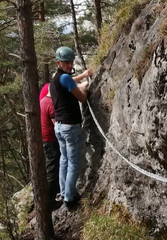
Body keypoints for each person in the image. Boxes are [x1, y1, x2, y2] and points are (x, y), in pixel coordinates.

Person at [50, 46, 93, 210]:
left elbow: (68, 81)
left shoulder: (55, 79)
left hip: (59, 127)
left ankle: (63, 193)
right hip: (70, 126)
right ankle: (69, 198)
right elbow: (82, 98)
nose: (69, 65)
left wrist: (81, 77)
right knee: (73, 162)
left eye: (70, 62)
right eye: (66, 62)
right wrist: (84, 87)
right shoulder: (65, 78)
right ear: (58, 63)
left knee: (64, 160)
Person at [40, 84, 62, 210]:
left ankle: (49, 196)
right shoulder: (51, 104)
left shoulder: (43, 101)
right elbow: (57, 125)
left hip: (45, 139)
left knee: (51, 167)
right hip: (51, 140)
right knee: (52, 170)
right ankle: (50, 200)